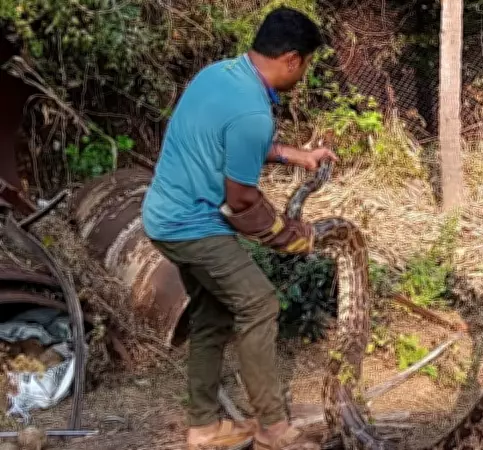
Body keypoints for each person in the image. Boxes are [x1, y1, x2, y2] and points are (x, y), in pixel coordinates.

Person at [141, 7, 337, 450]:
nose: (304, 73)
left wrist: (294, 155)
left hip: (163, 214)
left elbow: (231, 141)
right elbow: (242, 201)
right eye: (305, 64)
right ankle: (273, 427)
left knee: (212, 314)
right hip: (191, 224)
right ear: (291, 58)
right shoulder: (253, 111)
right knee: (260, 304)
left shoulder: (220, 76)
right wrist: (292, 236)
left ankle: (203, 427)